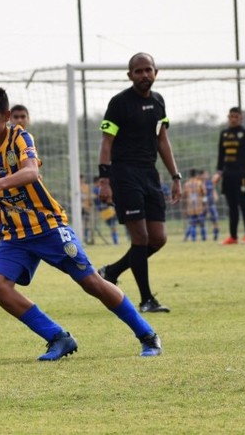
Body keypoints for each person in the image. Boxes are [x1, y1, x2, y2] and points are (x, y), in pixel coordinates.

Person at [0, 85, 162, 360]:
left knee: (91, 283)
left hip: (49, 227)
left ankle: (147, 334)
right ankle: (57, 337)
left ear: (6, 116)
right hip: (14, 236)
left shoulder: (20, 137)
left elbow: (31, 172)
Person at [96, 52, 182, 313]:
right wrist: (104, 180)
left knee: (158, 238)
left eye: (148, 70)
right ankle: (146, 300)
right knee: (141, 237)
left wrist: (176, 176)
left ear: (156, 72)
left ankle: (111, 271)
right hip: (124, 175)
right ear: (130, 75)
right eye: (139, 71)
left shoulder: (158, 102)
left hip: (150, 175)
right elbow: (106, 143)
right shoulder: (119, 103)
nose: (145, 75)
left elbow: (162, 140)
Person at [213, 106, 245, 245]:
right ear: (228, 117)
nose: (233, 119)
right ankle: (233, 237)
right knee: (232, 207)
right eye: (231, 116)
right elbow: (221, 155)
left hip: (243, 175)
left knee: (244, 205)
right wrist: (218, 173)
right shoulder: (224, 134)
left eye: (236, 117)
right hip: (228, 176)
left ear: (241, 118)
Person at [92, 176, 119, 245]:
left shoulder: (97, 190)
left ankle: (116, 241)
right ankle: (115, 241)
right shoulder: (96, 190)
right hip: (106, 212)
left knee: (113, 226)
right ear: (96, 182)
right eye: (99, 182)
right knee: (113, 227)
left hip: (108, 211)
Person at [182, 168, 207, 242]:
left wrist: (184, 208)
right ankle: (204, 238)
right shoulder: (200, 183)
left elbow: (184, 197)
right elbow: (204, 194)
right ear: (196, 175)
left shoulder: (186, 184)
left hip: (191, 208)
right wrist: (205, 204)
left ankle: (193, 239)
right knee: (202, 223)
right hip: (199, 207)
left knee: (192, 224)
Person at [200, 169, 220, 241]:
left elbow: (213, 190)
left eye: (207, 174)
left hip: (211, 204)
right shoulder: (199, 183)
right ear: (201, 175)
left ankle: (216, 234)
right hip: (202, 205)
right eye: (205, 174)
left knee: (215, 219)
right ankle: (204, 236)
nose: (206, 175)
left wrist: (215, 196)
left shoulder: (209, 182)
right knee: (202, 221)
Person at [80, 175, 93, 243]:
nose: (82, 180)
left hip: (87, 207)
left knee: (87, 224)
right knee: (81, 224)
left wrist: (90, 203)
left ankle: (86, 238)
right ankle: (81, 238)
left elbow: (89, 196)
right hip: (80, 208)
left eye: (82, 179)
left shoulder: (87, 186)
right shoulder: (76, 186)